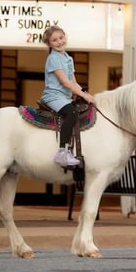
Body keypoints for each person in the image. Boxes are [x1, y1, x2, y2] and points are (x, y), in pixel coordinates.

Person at [41, 25, 94, 167]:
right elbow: (65, 83)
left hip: (65, 96)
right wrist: (84, 95)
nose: (59, 42)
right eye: (54, 40)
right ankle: (62, 152)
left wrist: (86, 94)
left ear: (65, 37)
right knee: (72, 113)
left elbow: (73, 82)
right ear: (49, 44)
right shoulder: (53, 58)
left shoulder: (68, 58)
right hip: (54, 96)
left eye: (61, 38)